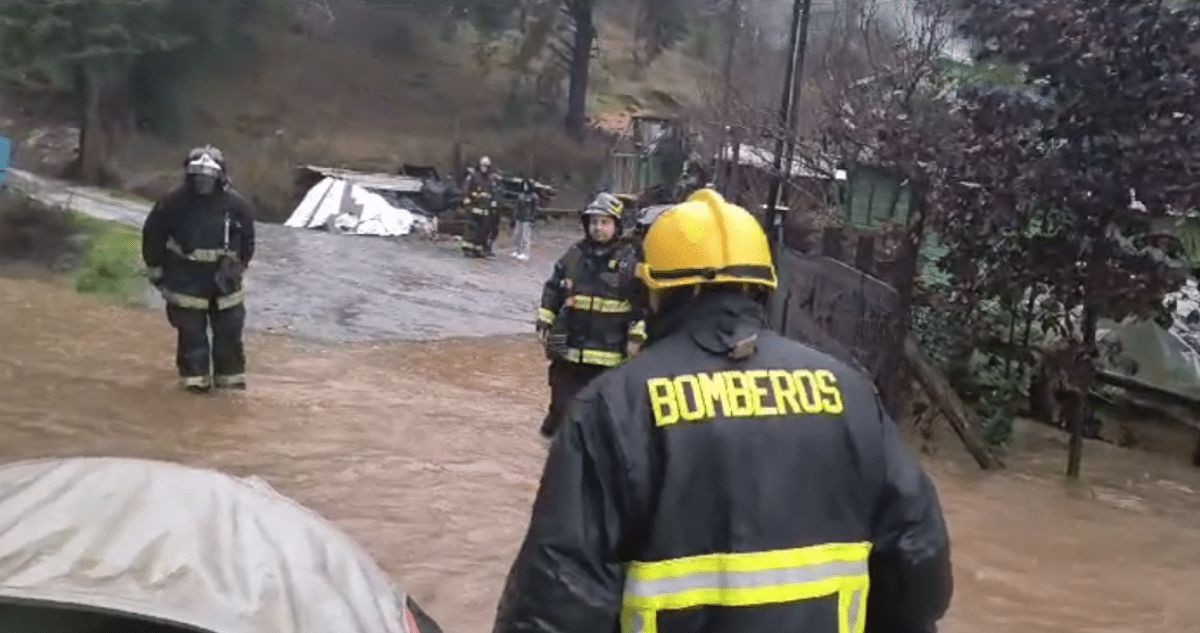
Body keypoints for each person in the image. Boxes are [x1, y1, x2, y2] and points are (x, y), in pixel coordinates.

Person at [495, 188, 953, 633]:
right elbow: (918, 564)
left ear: (653, 291)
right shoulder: (851, 394)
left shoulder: (612, 409)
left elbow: (554, 604)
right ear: (762, 288)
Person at [142, 145, 256, 393]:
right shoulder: (172, 203)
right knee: (192, 339)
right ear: (189, 176)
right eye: (198, 176)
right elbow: (153, 237)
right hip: (185, 281)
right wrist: (158, 273)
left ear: (220, 177)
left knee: (229, 337)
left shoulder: (237, 206)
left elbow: (247, 241)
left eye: (209, 177)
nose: (203, 182)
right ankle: (194, 392)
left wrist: (237, 268)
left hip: (225, 284)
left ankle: (230, 392)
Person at [535, 192, 646, 438]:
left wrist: (636, 337)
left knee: (606, 422)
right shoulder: (574, 255)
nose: (597, 228)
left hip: (610, 356)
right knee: (560, 417)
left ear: (617, 225)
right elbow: (553, 288)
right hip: (571, 354)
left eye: (604, 222)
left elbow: (644, 302)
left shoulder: (631, 261)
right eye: (593, 222)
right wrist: (545, 318)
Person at [461, 156, 499, 258]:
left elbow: (493, 193)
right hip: (474, 208)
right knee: (471, 230)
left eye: (486, 165)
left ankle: (478, 250)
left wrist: (494, 203)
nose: (484, 167)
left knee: (482, 232)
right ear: (479, 165)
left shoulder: (490, 179)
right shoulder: (473, 176)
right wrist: (467, 200)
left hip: (485, 210)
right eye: (483, 165)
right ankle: (468, 249)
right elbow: (466, 189)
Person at [511, 175, 538, 261]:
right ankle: (517, 250)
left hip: (527, 219)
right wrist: (514, 216)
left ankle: (525, 253)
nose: (525, 187)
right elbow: (516, 206)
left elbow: (535, 208)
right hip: (519, 217)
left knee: (525, 237)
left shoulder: (533, 196)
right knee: (517, 235)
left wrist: (533, 218)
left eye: (527, 185)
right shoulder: (521, 195)